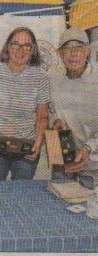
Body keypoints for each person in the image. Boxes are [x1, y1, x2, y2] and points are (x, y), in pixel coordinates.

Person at [0, 27, 50, 180]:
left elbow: (42, 117)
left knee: (21, 195)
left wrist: (37, 145)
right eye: (15, 44)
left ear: (33, 50)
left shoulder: (41, 77)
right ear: (7, 47)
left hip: (26, 149)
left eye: (27, 45)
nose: (20, 50)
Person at [50, 27, 98, 188]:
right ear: (59, 53)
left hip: (94, 165)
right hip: (63, 162)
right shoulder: (52, 78)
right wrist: (54, 121)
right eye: (67, 48)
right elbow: (49, 110)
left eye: (78, 47)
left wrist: (89, 148)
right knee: (57, 206)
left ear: (88, 50)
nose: (73, 54)